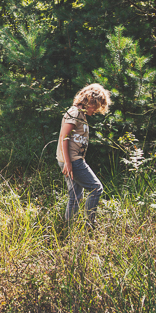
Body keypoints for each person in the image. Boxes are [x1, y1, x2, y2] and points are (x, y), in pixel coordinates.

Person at [56, 83, 111, 226]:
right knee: (96, 188)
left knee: (75, 196)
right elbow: (64, 137)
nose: (97, 110)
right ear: (90, 101)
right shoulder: (74, 112)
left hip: (72, 160)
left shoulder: (81, 115)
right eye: (96, 106)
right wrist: (68, 163)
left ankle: (68, 228)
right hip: (72, 160)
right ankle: (90, 224)